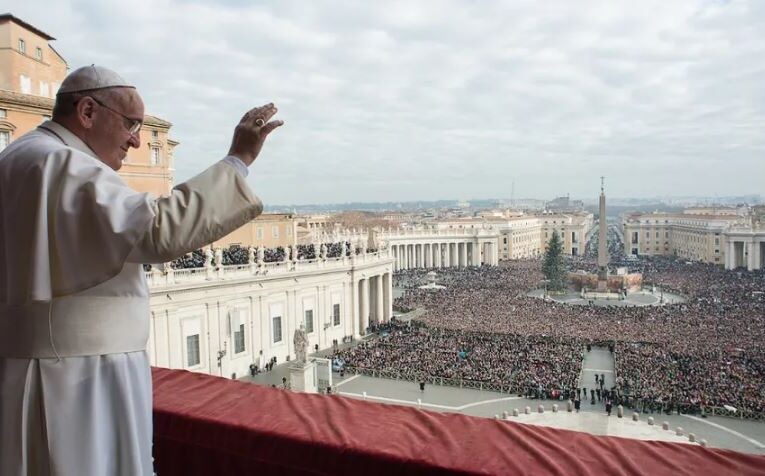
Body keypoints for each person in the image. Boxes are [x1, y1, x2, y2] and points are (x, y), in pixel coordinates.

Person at [0, 65, 283, 476]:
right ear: (87, 111)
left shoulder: (19, 157)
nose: (135, 139)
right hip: (80, 380)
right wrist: (238, 159)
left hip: (40, 370)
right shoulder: (60, 163)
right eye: (130, 124)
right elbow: (156, 230)